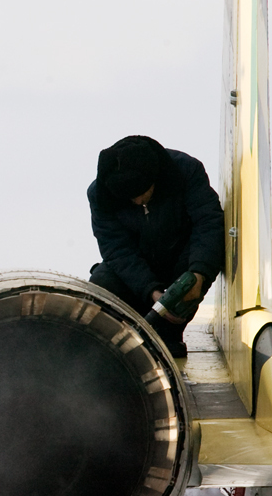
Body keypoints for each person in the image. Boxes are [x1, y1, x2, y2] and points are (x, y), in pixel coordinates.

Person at [86, 135, 223, 357]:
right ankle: (104, 344)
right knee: (102, 282)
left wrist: (199, 273)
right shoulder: (100, 195)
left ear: (154, 179)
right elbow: (116, 249)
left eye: (141, 194)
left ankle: (169, 335)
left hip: (182, 260)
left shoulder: (186, 171)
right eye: (129, 199)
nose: (137, 202)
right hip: (136, 269)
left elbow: (208, 224)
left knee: (188, 280)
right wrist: (150, 290)